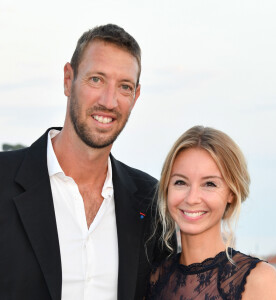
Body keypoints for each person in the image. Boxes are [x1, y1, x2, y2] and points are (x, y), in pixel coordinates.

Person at [0, 24, 168, 300]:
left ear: (135, 97)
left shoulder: (151, 202)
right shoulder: (3, 179)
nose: (108, 101)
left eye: (124, 86)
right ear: (68, 79)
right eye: (96, 80)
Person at [147, 126, 276, 299]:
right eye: (181, 182)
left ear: (231, 194)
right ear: (167, 188)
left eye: (210, 184)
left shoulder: (258, 281)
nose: (192, 198)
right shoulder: (153, 280)